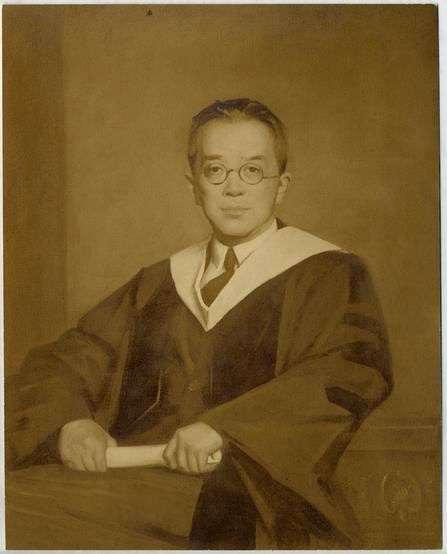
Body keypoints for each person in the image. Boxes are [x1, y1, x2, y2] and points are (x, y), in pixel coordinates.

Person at [5, 98, 393, 549]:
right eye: (215, 171)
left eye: (252, 170)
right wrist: (70, 423)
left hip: (253, 500)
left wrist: (226, 429)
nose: (234, 188)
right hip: (132, 487)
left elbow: (346, 372)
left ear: (281, 186)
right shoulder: (157, 283)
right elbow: (68, 360)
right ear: (194, 186)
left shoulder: (326, 274)